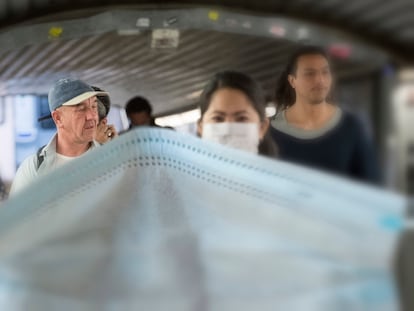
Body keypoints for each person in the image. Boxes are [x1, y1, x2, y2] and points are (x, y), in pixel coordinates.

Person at [271, 45, 380, 183]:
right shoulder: (271, 131)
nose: (320, 80)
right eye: (310, 73)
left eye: (325, 72)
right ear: (293, 81)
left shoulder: (351, 126)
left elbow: (371, 186)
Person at [10, 78, 107, 195]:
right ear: (58, 118)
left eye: (94, 107)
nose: (92, 116)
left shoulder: (113, 157)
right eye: (81, 109)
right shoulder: (33, 169)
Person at [197, 70, 277, 157]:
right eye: (218, 118)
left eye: (242, 118)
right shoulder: (184, 169)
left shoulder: (280, 170)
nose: (228, 130)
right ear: (201, 127)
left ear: (262, 127)